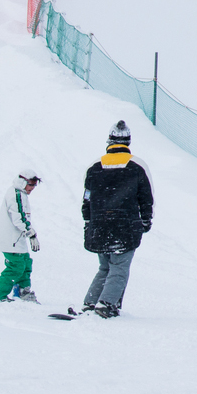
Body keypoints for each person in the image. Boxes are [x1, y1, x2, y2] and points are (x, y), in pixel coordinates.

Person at [79, 119, 153, 318]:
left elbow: (87, 199)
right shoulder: (137, 167)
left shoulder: (94, 168)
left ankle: (90, 303)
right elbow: (146, 198)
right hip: (125, 225)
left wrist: (89, 222)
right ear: (128, 142)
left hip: (99, 226)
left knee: (105, 266)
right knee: (119, 267)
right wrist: (146, 221)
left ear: (109, 142)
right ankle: (106, 304)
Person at [0, 166, 42, 302]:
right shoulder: (16, 194)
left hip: (17, 239)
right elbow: (19, 218)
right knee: (15, 267)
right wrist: (31, 234)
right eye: (31, 184)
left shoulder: (21, 194)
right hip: (10, 239)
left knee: (25, 264)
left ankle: (22, 291)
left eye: (34, 185)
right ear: (23, 182)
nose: (32, 188)